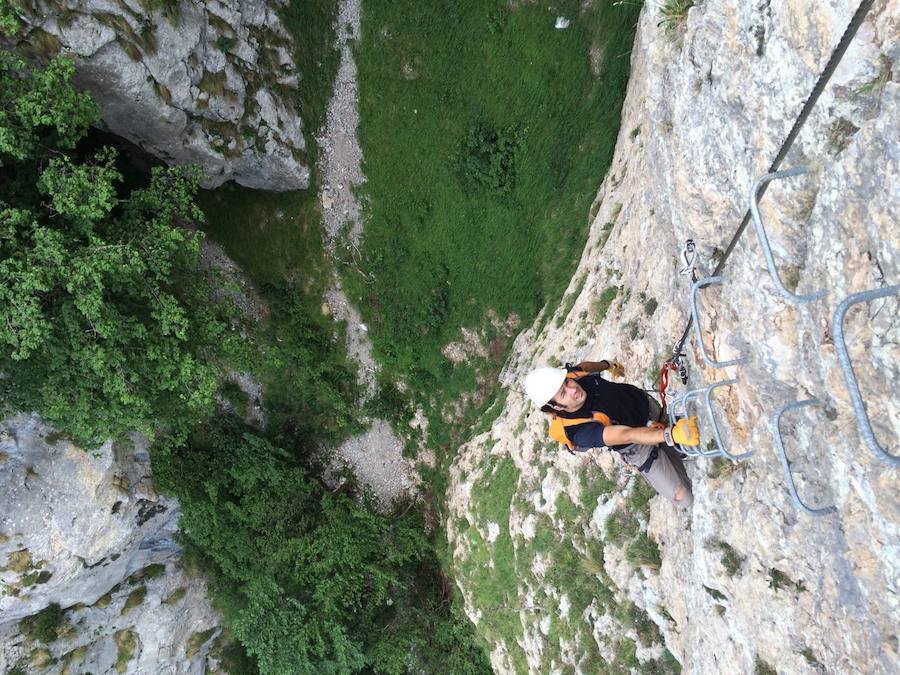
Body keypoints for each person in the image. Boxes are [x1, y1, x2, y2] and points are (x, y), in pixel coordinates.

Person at [524, 360, 699, 508]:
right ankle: (675, 447)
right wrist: (670, 435)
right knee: (683, 497)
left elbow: (584, 367)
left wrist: (607, 365)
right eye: (563, 394)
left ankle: (679, 449)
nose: (573, 389)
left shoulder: (571, 376)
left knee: (695, 437)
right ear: (556, 407)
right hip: (638, 447)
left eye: (567, 383)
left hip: (644, 407)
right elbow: (628, 434)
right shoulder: (579, 431)